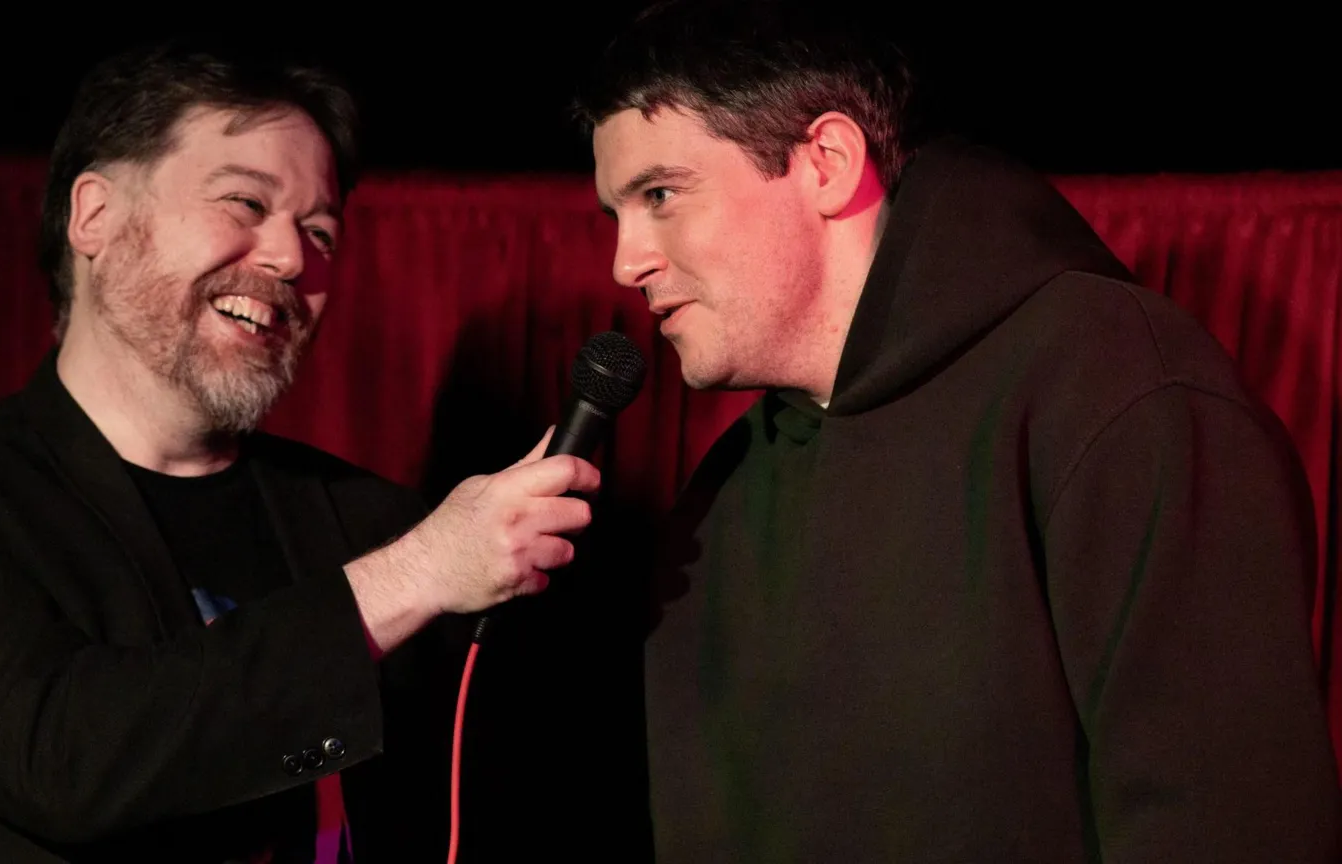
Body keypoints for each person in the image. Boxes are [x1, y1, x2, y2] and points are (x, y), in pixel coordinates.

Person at [573, 2, 1342, 861]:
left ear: (826, 162)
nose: (625, 261)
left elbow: (1226, 822)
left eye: (661, 195)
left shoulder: (1114, 384)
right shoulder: (726, 493)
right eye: (618, 216)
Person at [0, 37, 601, 863]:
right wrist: (416, 574)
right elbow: (55, 759)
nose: (294, 259)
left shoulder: (376, 522)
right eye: (245, 204)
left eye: (321, 231)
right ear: (95, 215)